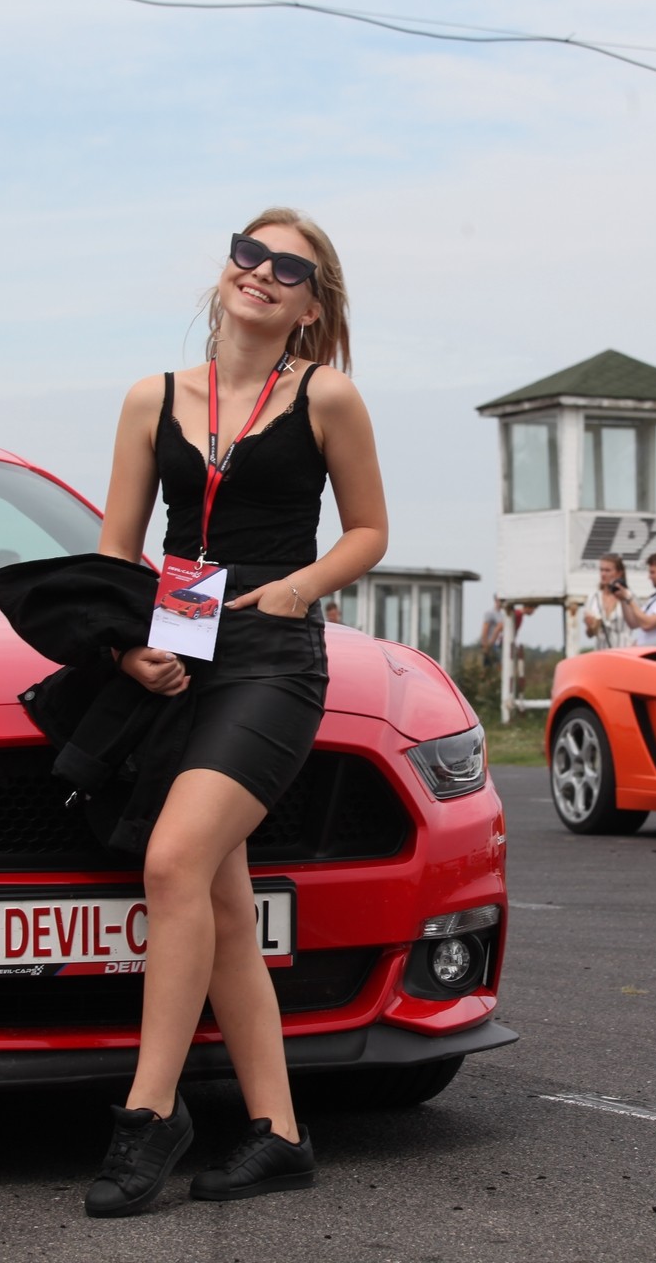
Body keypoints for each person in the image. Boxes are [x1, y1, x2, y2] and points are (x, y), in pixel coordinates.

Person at [82, 208, 386, 1218]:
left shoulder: (326, 395)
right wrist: (127, 645)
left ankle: (149, 1113)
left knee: (172, 861)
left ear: (311, 307)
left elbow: (370, 530)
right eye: (248, 254)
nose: (260, 272)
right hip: (179, 648)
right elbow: (116, 552)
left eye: (288, 268)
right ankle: (280, 1133)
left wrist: (298, 589)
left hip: (272, 659)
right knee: (217, 901)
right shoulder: (152, 398)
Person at [581, 553, 634, 651]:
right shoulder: (593, 597)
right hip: (602, 652)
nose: (603, 574)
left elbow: (636, 624)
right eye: (601, 570)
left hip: (624, 651)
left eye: (607, 570)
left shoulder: (629, 595)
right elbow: (589, 634)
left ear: (619, 573)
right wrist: (590, 625)